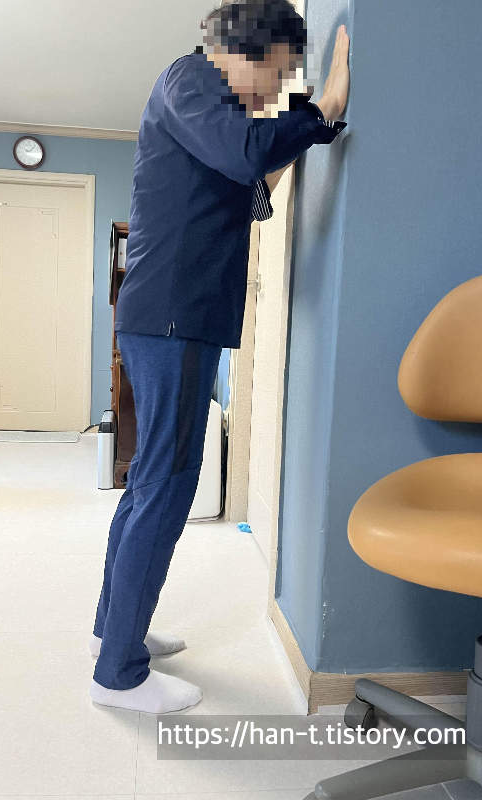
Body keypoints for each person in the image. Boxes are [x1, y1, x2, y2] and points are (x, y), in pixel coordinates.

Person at [90, 0, 350, 714]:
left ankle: (115, 631)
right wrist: (322, 109)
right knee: (168, 485)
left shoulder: (205, 109)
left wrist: (299, 132)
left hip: (174, 316)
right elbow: (245, 153)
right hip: (174, 317)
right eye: (277, 72)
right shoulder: (194, 77)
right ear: (247, 49)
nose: (275, 90)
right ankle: (119, 674)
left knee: (150, 483)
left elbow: (250, 190)